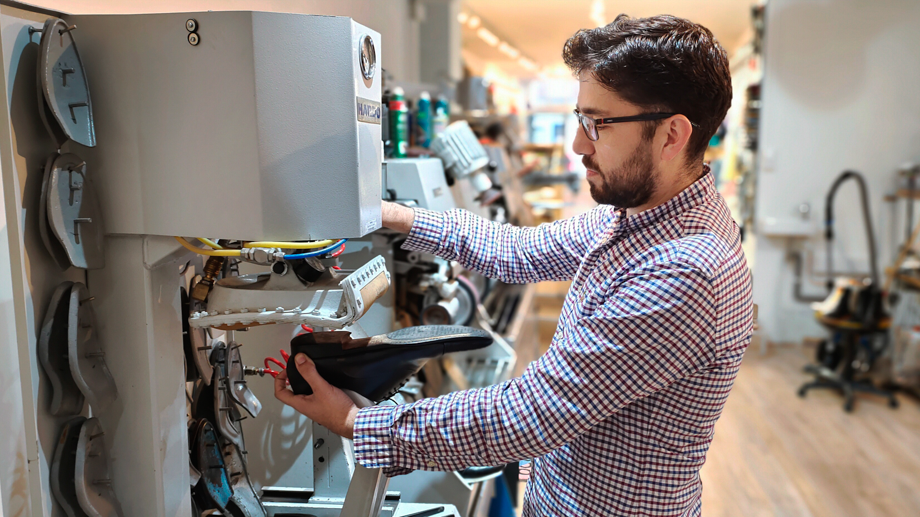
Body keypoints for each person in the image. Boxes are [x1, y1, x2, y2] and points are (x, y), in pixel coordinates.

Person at [275, 14, 753, 517]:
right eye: (579, 120)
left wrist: (357, 423)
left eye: (599, 123)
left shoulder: (684, 269)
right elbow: (519, 251)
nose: (578, 145)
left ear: (672, 135)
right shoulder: (639, 218)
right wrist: (392, 215)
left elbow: (530, 414)